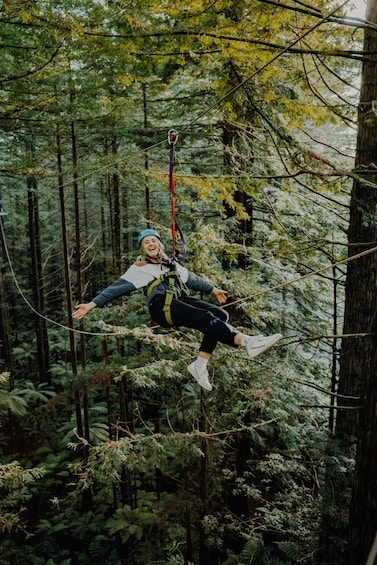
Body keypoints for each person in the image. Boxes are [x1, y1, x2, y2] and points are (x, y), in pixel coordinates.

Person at [72, 229, 282, 391]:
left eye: (153, 240)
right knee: (204, 318)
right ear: (142, 249)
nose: (150, 244)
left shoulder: (171, 264)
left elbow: (192, 279)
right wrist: (91, 305)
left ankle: (199, 366)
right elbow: (115, 288)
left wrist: (213, 289)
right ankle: (248, 342)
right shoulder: (140, 268)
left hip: (179, 301)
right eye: (146, 243)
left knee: (220, 314)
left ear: (159, 244)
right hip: (162, 307)